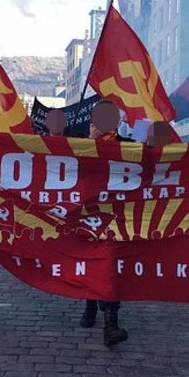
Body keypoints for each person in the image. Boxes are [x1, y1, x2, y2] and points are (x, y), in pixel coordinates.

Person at [79, 100, 129, 346]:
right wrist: (90, 143)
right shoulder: (81, 145)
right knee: (92, 265)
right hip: (87, 217)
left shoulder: (128, 147)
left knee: (109, 268)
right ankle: (89, 306)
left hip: (117, 219)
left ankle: (111, 323)